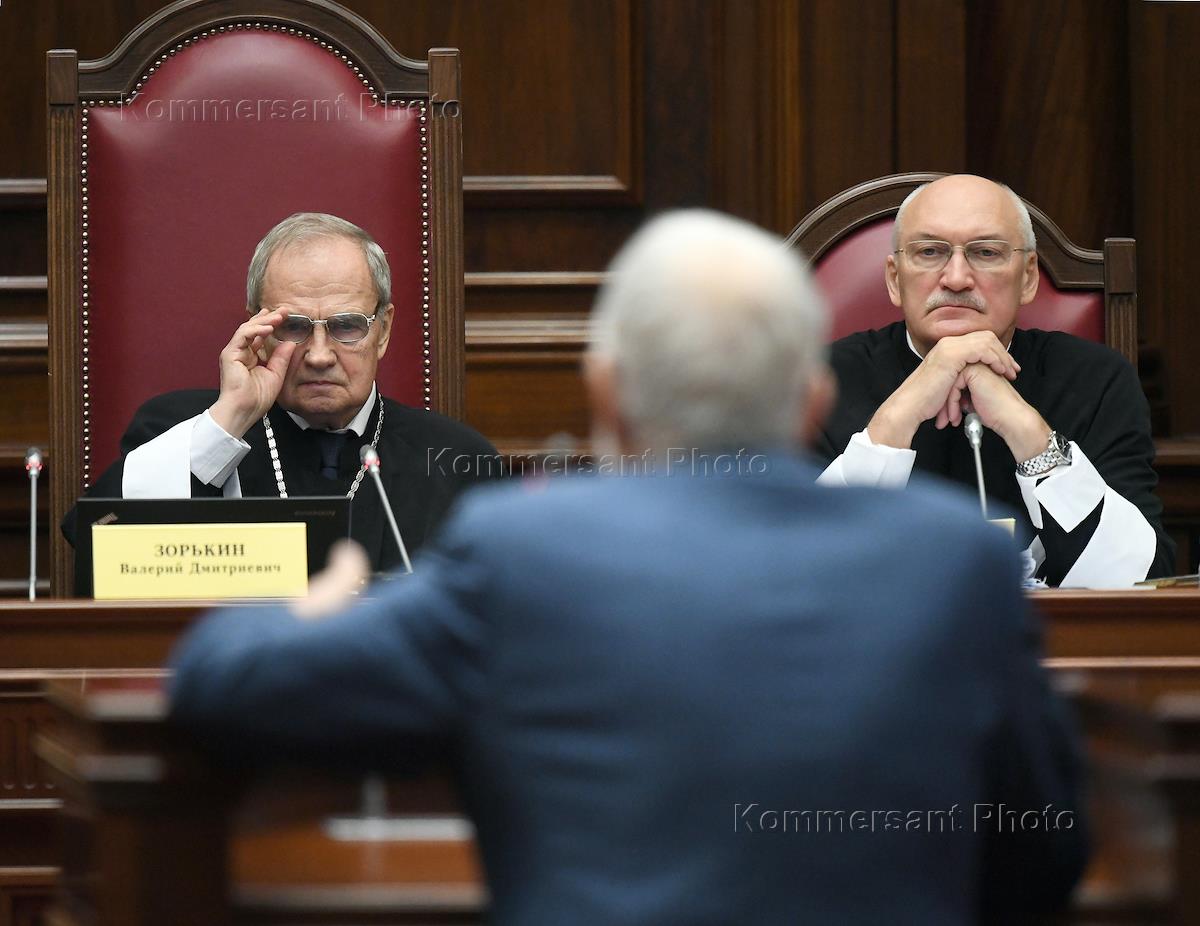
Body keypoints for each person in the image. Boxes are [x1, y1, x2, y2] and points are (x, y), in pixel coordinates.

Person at [170, 210, 1088, 924]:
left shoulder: (525, 553)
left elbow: (219, 683)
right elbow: (1045, 854)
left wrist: (317, 603)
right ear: (812, 399)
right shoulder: (954, 562)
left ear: (606, 394)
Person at [63, 213, 500, 571]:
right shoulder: (177, 430)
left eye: (347, 326)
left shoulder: (453, 457)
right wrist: (228, 422)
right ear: (257, 328)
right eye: (293, 327)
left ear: (383, 331)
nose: (319, 355)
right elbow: (101, 551)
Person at [816, 174, 1173, 587]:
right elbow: (788, 567)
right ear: (895, 279)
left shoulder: (1096, 380)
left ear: (1028, 277)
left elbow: (1139, 582)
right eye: (930, 252)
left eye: (985, 252)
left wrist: (1029, 432)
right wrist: (894, 422)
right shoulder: (820, 381)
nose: (956, 278)